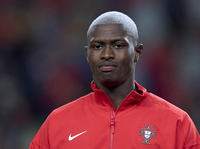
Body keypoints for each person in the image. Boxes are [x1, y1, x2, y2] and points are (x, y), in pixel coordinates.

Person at [29, 11, 200, 149]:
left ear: (137, 52)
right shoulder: (56, 124)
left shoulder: (176, 122)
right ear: (88, 54)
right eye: (98, 46)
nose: (107, 55)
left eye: (118, 45)